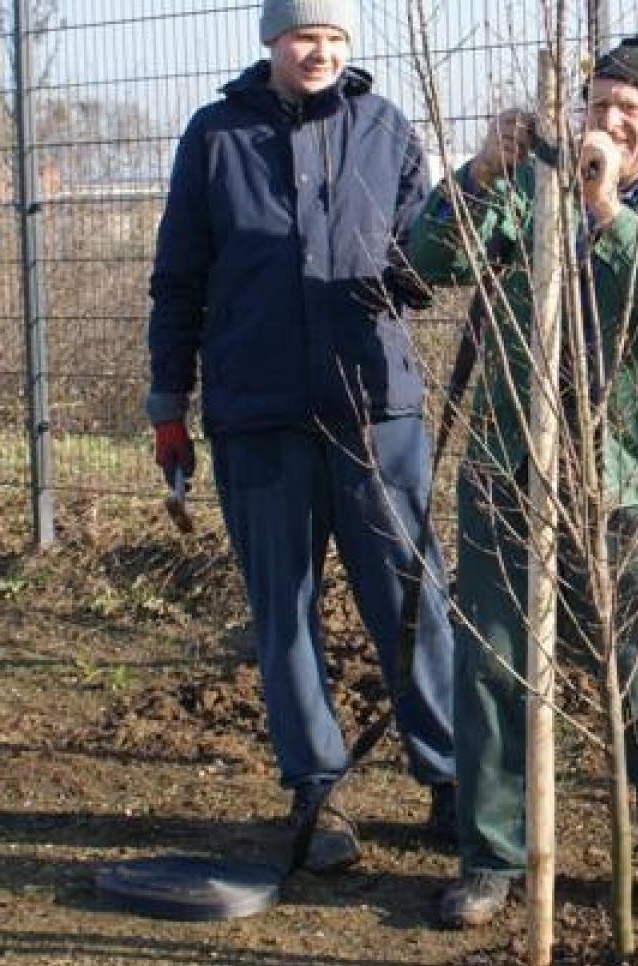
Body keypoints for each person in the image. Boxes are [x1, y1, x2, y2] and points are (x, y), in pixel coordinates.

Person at [405, 33, 638, 927]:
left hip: (634, 476)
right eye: (598, 105)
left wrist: (606, 210)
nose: (610, 121)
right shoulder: (528, 190)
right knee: (493, 665)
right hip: (512, 465)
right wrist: (480, 173)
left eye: (631, 110)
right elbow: (416, 265)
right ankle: (491, 857)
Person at [145, 0, 457, 872]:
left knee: (409, 597)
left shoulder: (385, 126)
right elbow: (178, 278)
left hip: (375, 407)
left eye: (331, 37)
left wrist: (467, 213)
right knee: (283, 607)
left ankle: (453, 777)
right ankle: (316, 792)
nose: (317, 51)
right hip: (258, 411)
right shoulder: (216, 137)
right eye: (301, 36)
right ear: (271, 42)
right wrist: (168, 401)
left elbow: (418, 261)